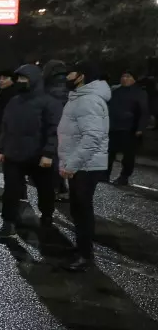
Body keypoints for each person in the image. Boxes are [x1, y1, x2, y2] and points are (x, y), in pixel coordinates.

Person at [0, 64, 62, 240]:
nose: (20, 82)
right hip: (14, 154)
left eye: (24, 78)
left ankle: (47, 217)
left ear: (34, 80)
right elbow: (5, 126)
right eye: (19, 79)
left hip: (38, 155)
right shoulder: (14, 101)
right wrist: (2, 149)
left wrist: (48, 153)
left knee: (45, 189)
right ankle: (8, 223)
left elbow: (54, 130)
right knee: (11, 191)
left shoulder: (49, 102)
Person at [58, 61, 110, 271]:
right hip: (80, 164)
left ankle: (85, 255)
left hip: (86, 166)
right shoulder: (79, 98)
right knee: (77, 209)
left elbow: (92, 137)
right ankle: (81, 246)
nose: (66, 77)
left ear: (82, 76)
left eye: (70, 73)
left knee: (82, 209)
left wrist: (72, 164)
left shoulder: (88, 100)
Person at [107, 70, 150, 186]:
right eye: (123, 76)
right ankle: (104, 175)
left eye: (128, 76)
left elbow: (144, 112)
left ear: (134, 79)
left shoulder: (139, 93)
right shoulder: (115, 91)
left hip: (130, 129)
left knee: (128, 156)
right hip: (113, 127)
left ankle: (124, 176)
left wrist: (140, 128)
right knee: (109, 153)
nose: (125, 79)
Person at [42, 60, 71, 199]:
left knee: (52, 157)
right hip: (67, 127)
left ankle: (54, 188)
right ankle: (61, 187)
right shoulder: (68, 84)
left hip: (52, 124)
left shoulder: (49, 86)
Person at [0, 70, 18, 158]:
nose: (1, 80)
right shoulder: (1, 90)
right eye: (0, 78)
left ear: (12, 80)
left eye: (4, 78)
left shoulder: (14, 94)